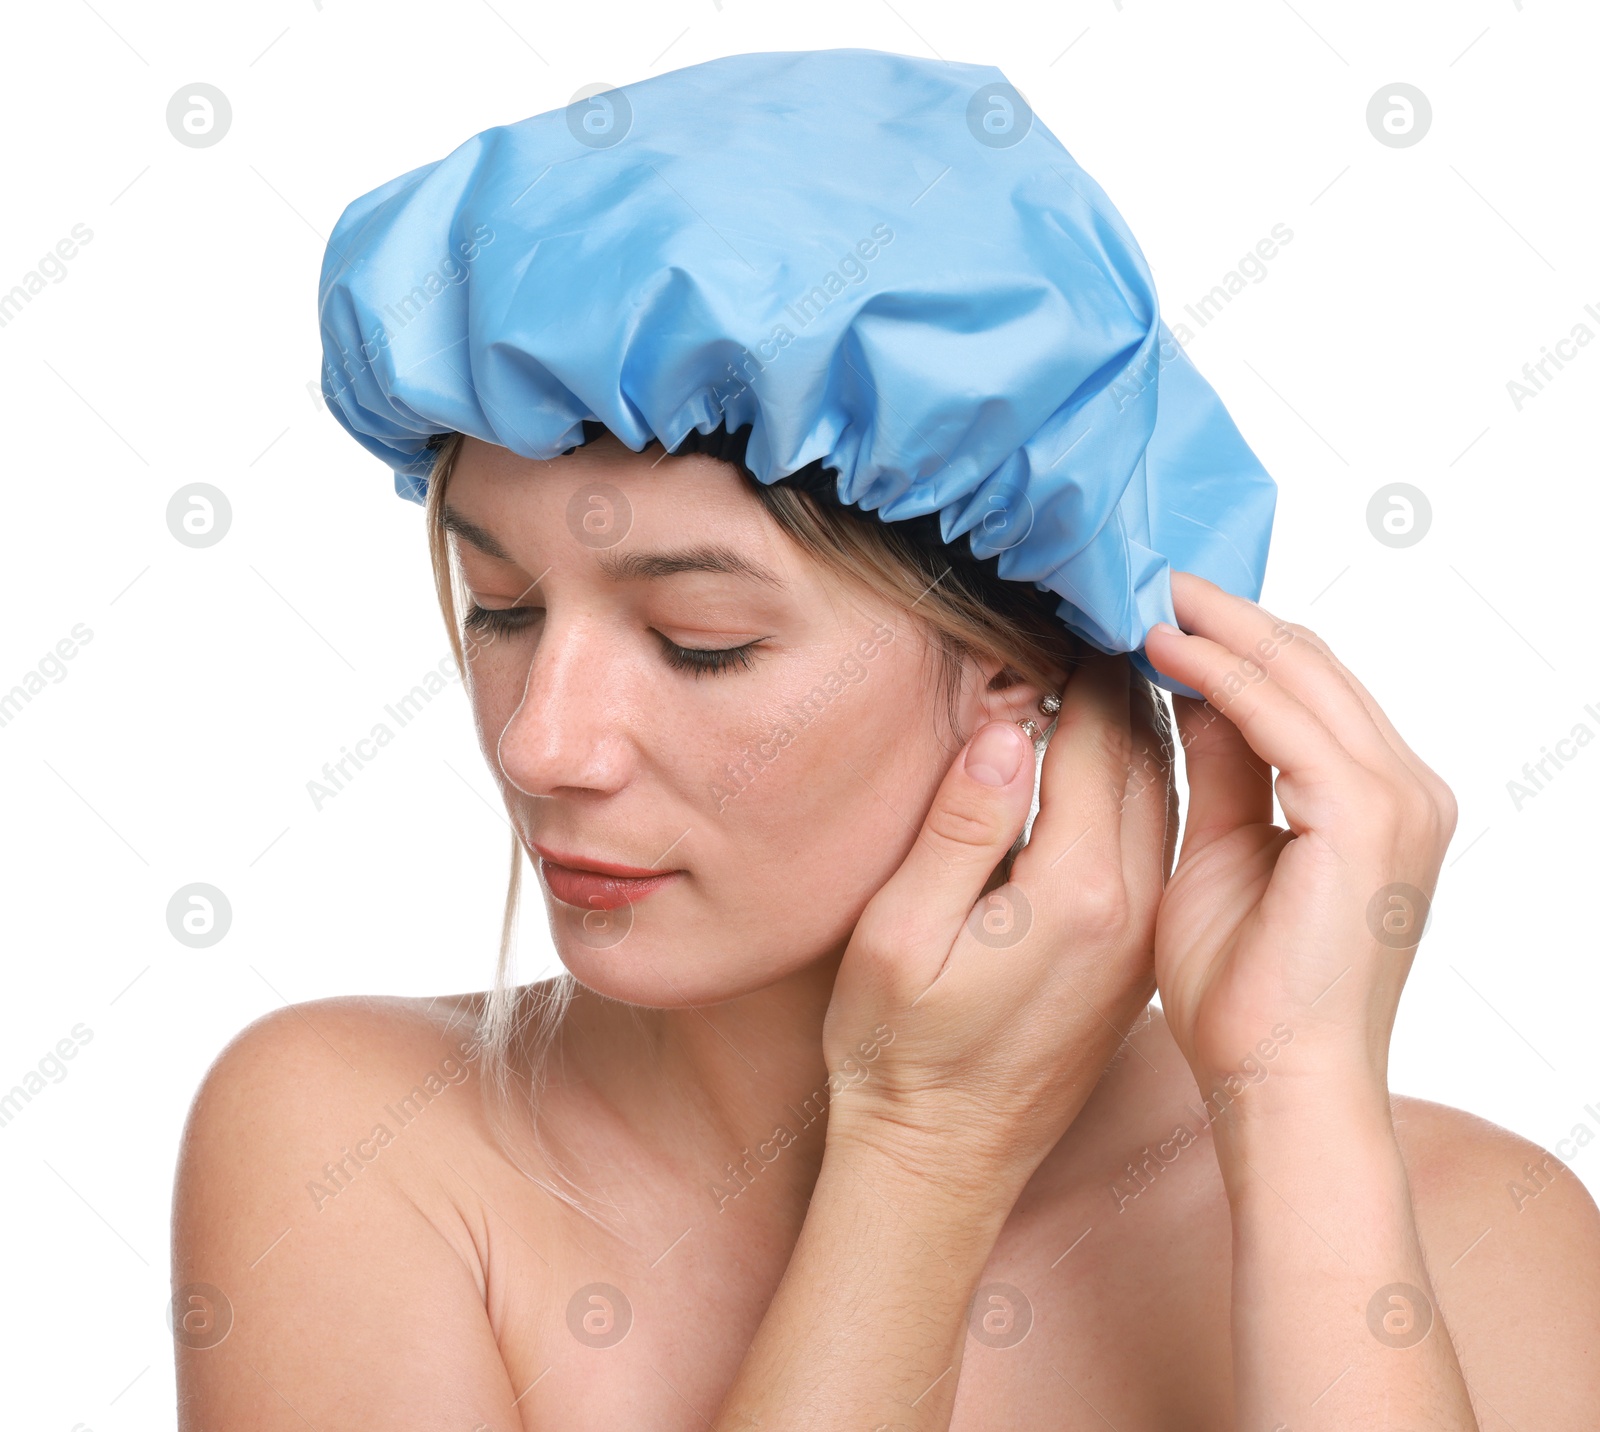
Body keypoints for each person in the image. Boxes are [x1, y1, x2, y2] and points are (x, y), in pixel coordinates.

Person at [173, 48, 1600, 1431]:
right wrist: (920, 1165)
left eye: (699, 642)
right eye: (500, 607)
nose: (544, 746)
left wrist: (1295, 1097)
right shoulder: (357, 1153)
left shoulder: (1484, 1236)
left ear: (1022, 671)